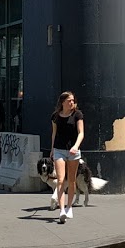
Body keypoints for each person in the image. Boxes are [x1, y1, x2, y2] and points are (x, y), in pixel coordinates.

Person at [50, 89, 84, 223]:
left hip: (73, 151)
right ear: (62, 102)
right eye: (69, 100)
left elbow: (81, 133)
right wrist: (52, 149)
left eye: (73, 100)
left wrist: (76, 146)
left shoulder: (77, 115)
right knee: (60, 179)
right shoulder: (55, 116)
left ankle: (70, 207)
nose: (72, 102)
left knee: (71, 180)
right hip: (59, 149)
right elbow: (54, 133)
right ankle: (62, 210)